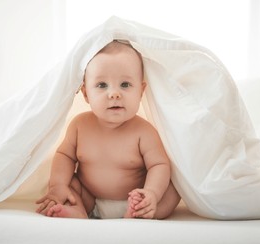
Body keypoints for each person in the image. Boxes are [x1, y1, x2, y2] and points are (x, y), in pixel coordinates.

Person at [36, 40, 180, 219]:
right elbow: (64, 156)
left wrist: (151, 192)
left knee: (174, 188)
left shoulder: (144, 132)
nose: (114, 94)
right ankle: (79, 210)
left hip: (133, 200)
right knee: (68, 182)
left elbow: (159, 165)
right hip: (90, 198)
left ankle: (141, 213)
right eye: (102, 85)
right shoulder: (79, 126)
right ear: (86, 93)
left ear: (141, 92)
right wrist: (58, 186)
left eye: (125, 85)